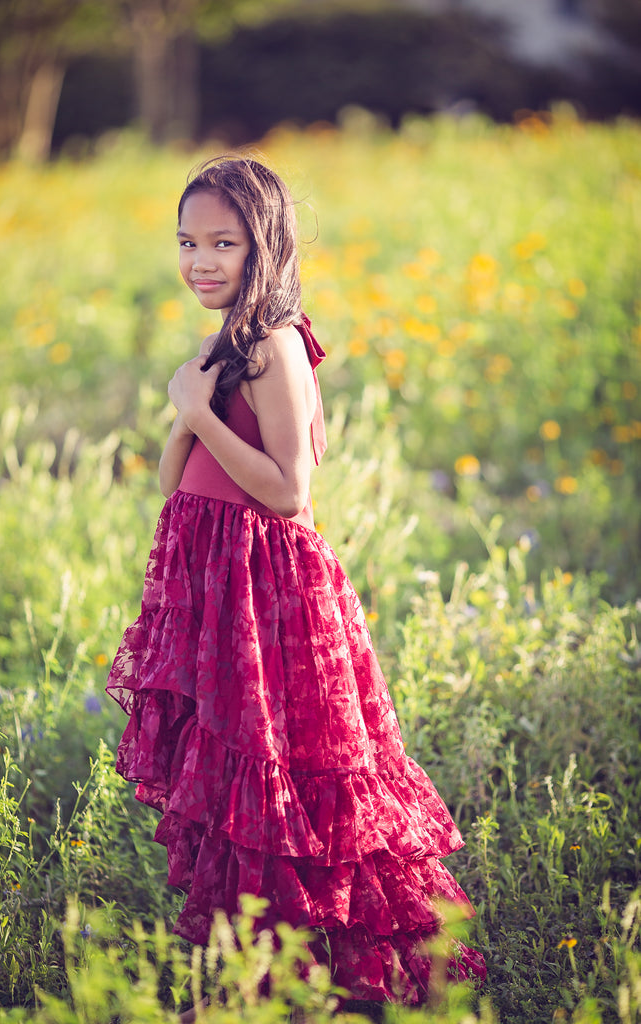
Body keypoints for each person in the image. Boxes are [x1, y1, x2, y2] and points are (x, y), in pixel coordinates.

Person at [106, 156, 486, 1009]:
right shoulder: (222, 345)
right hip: (215, 581)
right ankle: (264, 964)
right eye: (186, 242)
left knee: (287, 768)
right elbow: (173, 480)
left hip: (267, 587)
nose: (199, 261)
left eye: (222, 244)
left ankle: (349, 971)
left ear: (262, 246)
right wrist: (186, 406)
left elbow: (287, 492)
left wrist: (199, 410)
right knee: (241, 768)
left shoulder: (276, 344)